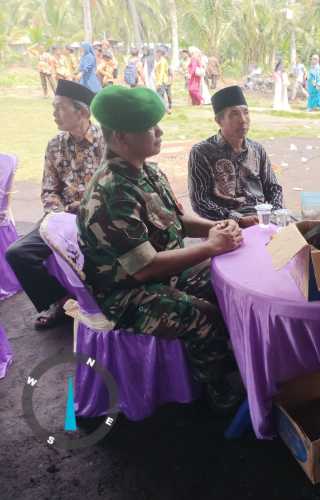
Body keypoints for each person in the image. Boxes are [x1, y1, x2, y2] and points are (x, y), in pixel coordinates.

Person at [78, 85, 243, 413]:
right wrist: (211, 247)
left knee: (230, 280)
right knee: (203, 316)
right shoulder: (113, 192)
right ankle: (219, 391)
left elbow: (179, 221)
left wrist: (216, 228)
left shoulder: (146, 171)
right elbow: (145, 267)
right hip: (126, 294)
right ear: (122, 137)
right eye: (150, 128)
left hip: (163, 271)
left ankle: (239, 357)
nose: (160, 132)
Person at [6, 80, 103, 330]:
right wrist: (59, 217)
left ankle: (104, 304)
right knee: (18, 253)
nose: (53, 114)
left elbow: (111, 191)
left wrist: (81, 211)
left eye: (60, 108)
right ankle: (61, 302)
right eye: (53, 107)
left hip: (97, 218)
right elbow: (49, 190)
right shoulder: (55, 145)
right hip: (60, 219)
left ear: (81, 112)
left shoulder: (107, 143)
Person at [188, 85, 283, 224]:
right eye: (234, 114)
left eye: (246, 112)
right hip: (226, 224)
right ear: (219, 120)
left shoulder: (257, 149)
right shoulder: (202, 152)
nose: (243, 119)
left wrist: (274, 215)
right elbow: (200, 201)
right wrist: (238, 220)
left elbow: (274, 188)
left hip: (262, 219)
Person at [154, 46, 173, 113]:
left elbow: (162, 72)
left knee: (160, 96)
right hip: (163, 81)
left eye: (157, 52)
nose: (156, 53)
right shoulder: (161, 60)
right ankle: (166, 108)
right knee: (162, 95)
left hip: (162, 81)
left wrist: (159, 83)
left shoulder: (162, 61)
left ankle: (166, 109)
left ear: (160, 53)